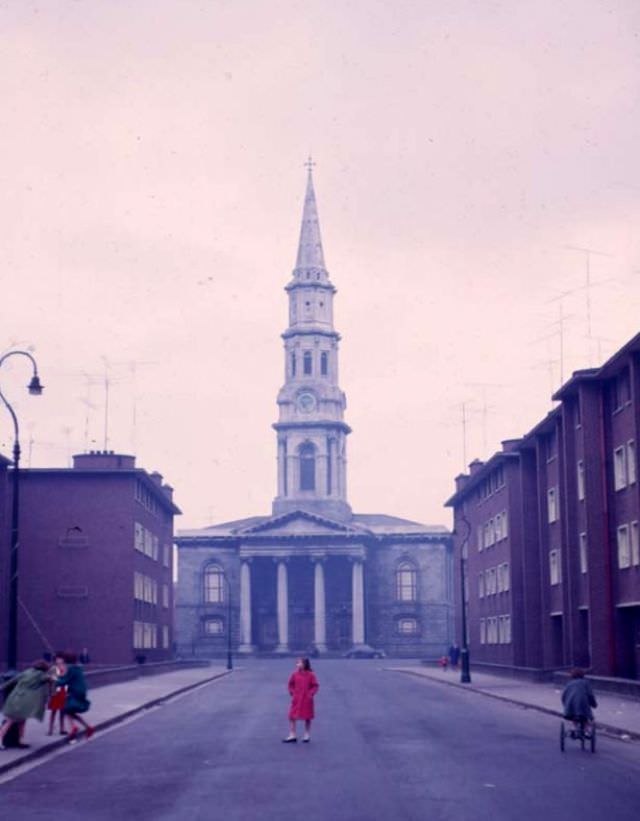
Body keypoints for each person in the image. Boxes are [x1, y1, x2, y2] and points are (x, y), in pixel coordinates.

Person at [0, 660, 52, 749]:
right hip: (24, 701)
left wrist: (2, 687)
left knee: (19, 720)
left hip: (14, 697)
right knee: (12, 721)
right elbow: (49, 679)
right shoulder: (41, 675)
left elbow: (13, 680)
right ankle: (3, 740)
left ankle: (20, 741)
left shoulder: (26, 672)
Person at [56, 652, 95, 741]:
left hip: (75, 692)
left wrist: (54, 680)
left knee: (66, 709)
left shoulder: (70, 669)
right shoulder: (78, 668)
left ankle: (73, 727)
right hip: (82, 691)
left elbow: (63, 681)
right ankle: (88, 727)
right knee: (71, 712)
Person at [283, 658, 319, 744]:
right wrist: (292, 692)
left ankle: (307, 734)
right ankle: (292, 734)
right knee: (291, 716)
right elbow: (290, 684)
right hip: (297, 698)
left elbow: (315, 686)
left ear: (304, 664)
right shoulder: (294, 674)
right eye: (297, 663)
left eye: (299, 663)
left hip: (307, 699)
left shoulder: (311, 675)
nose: (297, 664)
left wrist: (311, 694)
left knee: (307, 716)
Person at [47, 652, 68, 736]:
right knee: (54, 710)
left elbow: (67, 679)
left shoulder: (66, 668)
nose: (59, 660)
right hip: (55, 692)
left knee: (63, 710)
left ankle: (62, 728)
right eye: (58, 658)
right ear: (55, 660)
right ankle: (50, 729)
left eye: (61, 658)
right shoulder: (53, 668)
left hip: (64, 691)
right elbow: (50, 680)